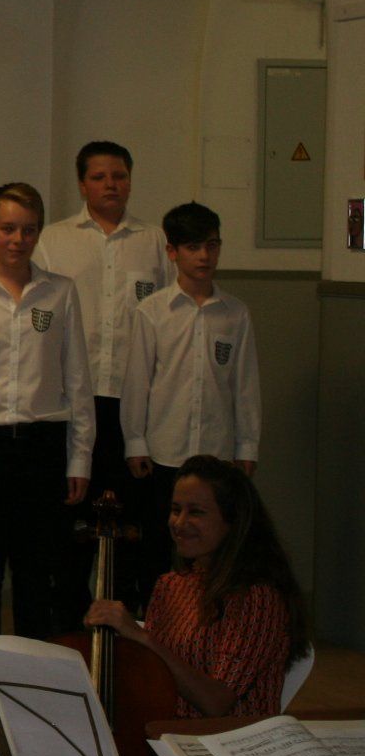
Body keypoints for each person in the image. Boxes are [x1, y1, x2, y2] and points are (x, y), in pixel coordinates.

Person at [0, 183, 94, 642]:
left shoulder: (60, 292)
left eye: (28, 230)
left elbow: (77, 379)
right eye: (8, 229)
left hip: (42, 443)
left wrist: (80, 458)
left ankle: (33, 664)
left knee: (36, 567)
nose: (18, 239)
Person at [35, 141, 172, 632]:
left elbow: (168, 315)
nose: (111, 184)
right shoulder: (54, 240)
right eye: (99, 177)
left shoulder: (154, 242)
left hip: (135, 402)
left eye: (119, 175)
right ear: (82, 184)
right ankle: (69, 612)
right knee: (73, 512)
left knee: (133, 516)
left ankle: (129, 614)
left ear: (130, 180)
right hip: (74, 398)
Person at [118, 202, 261, 611]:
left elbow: (245, 385)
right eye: (193, 247)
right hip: (165, 453)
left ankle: (207, 623)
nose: (204, 256)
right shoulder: (152, 312)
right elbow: (138, 383)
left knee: (215, 548)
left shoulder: (235, 314)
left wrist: (247, 446)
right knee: (160, 548)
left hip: (216, 452)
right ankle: (158, 621)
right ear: (172, 252)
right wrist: (135, 440)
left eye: (211, 246)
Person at [84, 456, 308, 718]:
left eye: (196, 512)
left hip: (228, 738)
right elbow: (153, 676)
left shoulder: (257, 596)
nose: (179, 523)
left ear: (233, 520)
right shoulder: (169, 585)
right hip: (169, 732)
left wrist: (140, 636)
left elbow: (215, 702)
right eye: (175, 509)